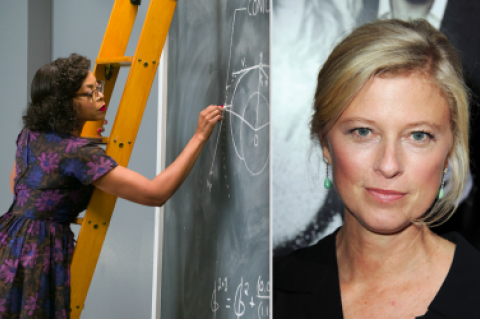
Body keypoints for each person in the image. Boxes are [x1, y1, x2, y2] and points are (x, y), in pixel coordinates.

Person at [274, 19, 480, 318]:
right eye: (362, 132)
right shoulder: (272, 292)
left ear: (449, 153)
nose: (388, 165)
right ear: (325, 144)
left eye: (418, 135)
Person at [0, 54, 223, 318]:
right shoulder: (78, 153)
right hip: (38, 253)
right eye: (90, 92)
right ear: (65, 104)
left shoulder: (30, 134)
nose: (100, 96)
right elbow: (155, 193)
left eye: (98, 88)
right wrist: (199, 137)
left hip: (8, 239)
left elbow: (17, 186)